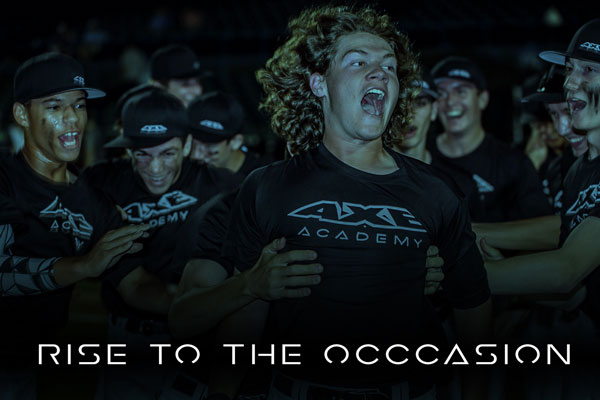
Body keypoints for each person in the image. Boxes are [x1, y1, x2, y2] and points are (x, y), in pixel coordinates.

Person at [209, 6, 492, 400]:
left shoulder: (437, 191)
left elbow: (473, 308)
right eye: (359, 62)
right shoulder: (267, 187)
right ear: (318, 83)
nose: (380, 73)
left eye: (389, 66)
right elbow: (248, 315)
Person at [0, 52, 149, 400]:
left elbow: (135, 284)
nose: (72, 118)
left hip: (26, 364)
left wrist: (224, 293)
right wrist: (83, 266)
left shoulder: (92, 201)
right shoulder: (5, 179)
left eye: (79, 106)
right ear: (22, 115)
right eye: (55, 107)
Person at [82, 89, 239, 399]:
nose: (155, 169)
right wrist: (211, 303)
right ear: (127, 149)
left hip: (198, 345)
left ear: (187, 145)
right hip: (130, 346)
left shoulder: (221, 186)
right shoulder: (101, 185)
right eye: (142, 154)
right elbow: (135, 287)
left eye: (167, 154)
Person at [430, 56, 552, 222]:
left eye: (461, 91)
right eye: (441, 93)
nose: (450, 101)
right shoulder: (419, 157)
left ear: (482, 99)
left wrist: (475, 233)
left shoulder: (512, 163)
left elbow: (542, 228)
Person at [187, 91, 270, 178]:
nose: (196, 155)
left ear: (235, 142)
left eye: (209, 145)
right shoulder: (189, 170)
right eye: (192, 144)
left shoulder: (263, 178)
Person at [394, 70, 438, 163]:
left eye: (419, 103)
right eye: (400, 103)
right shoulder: (369, 170)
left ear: (434, 110)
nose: (408, 114)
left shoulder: (448, 172)